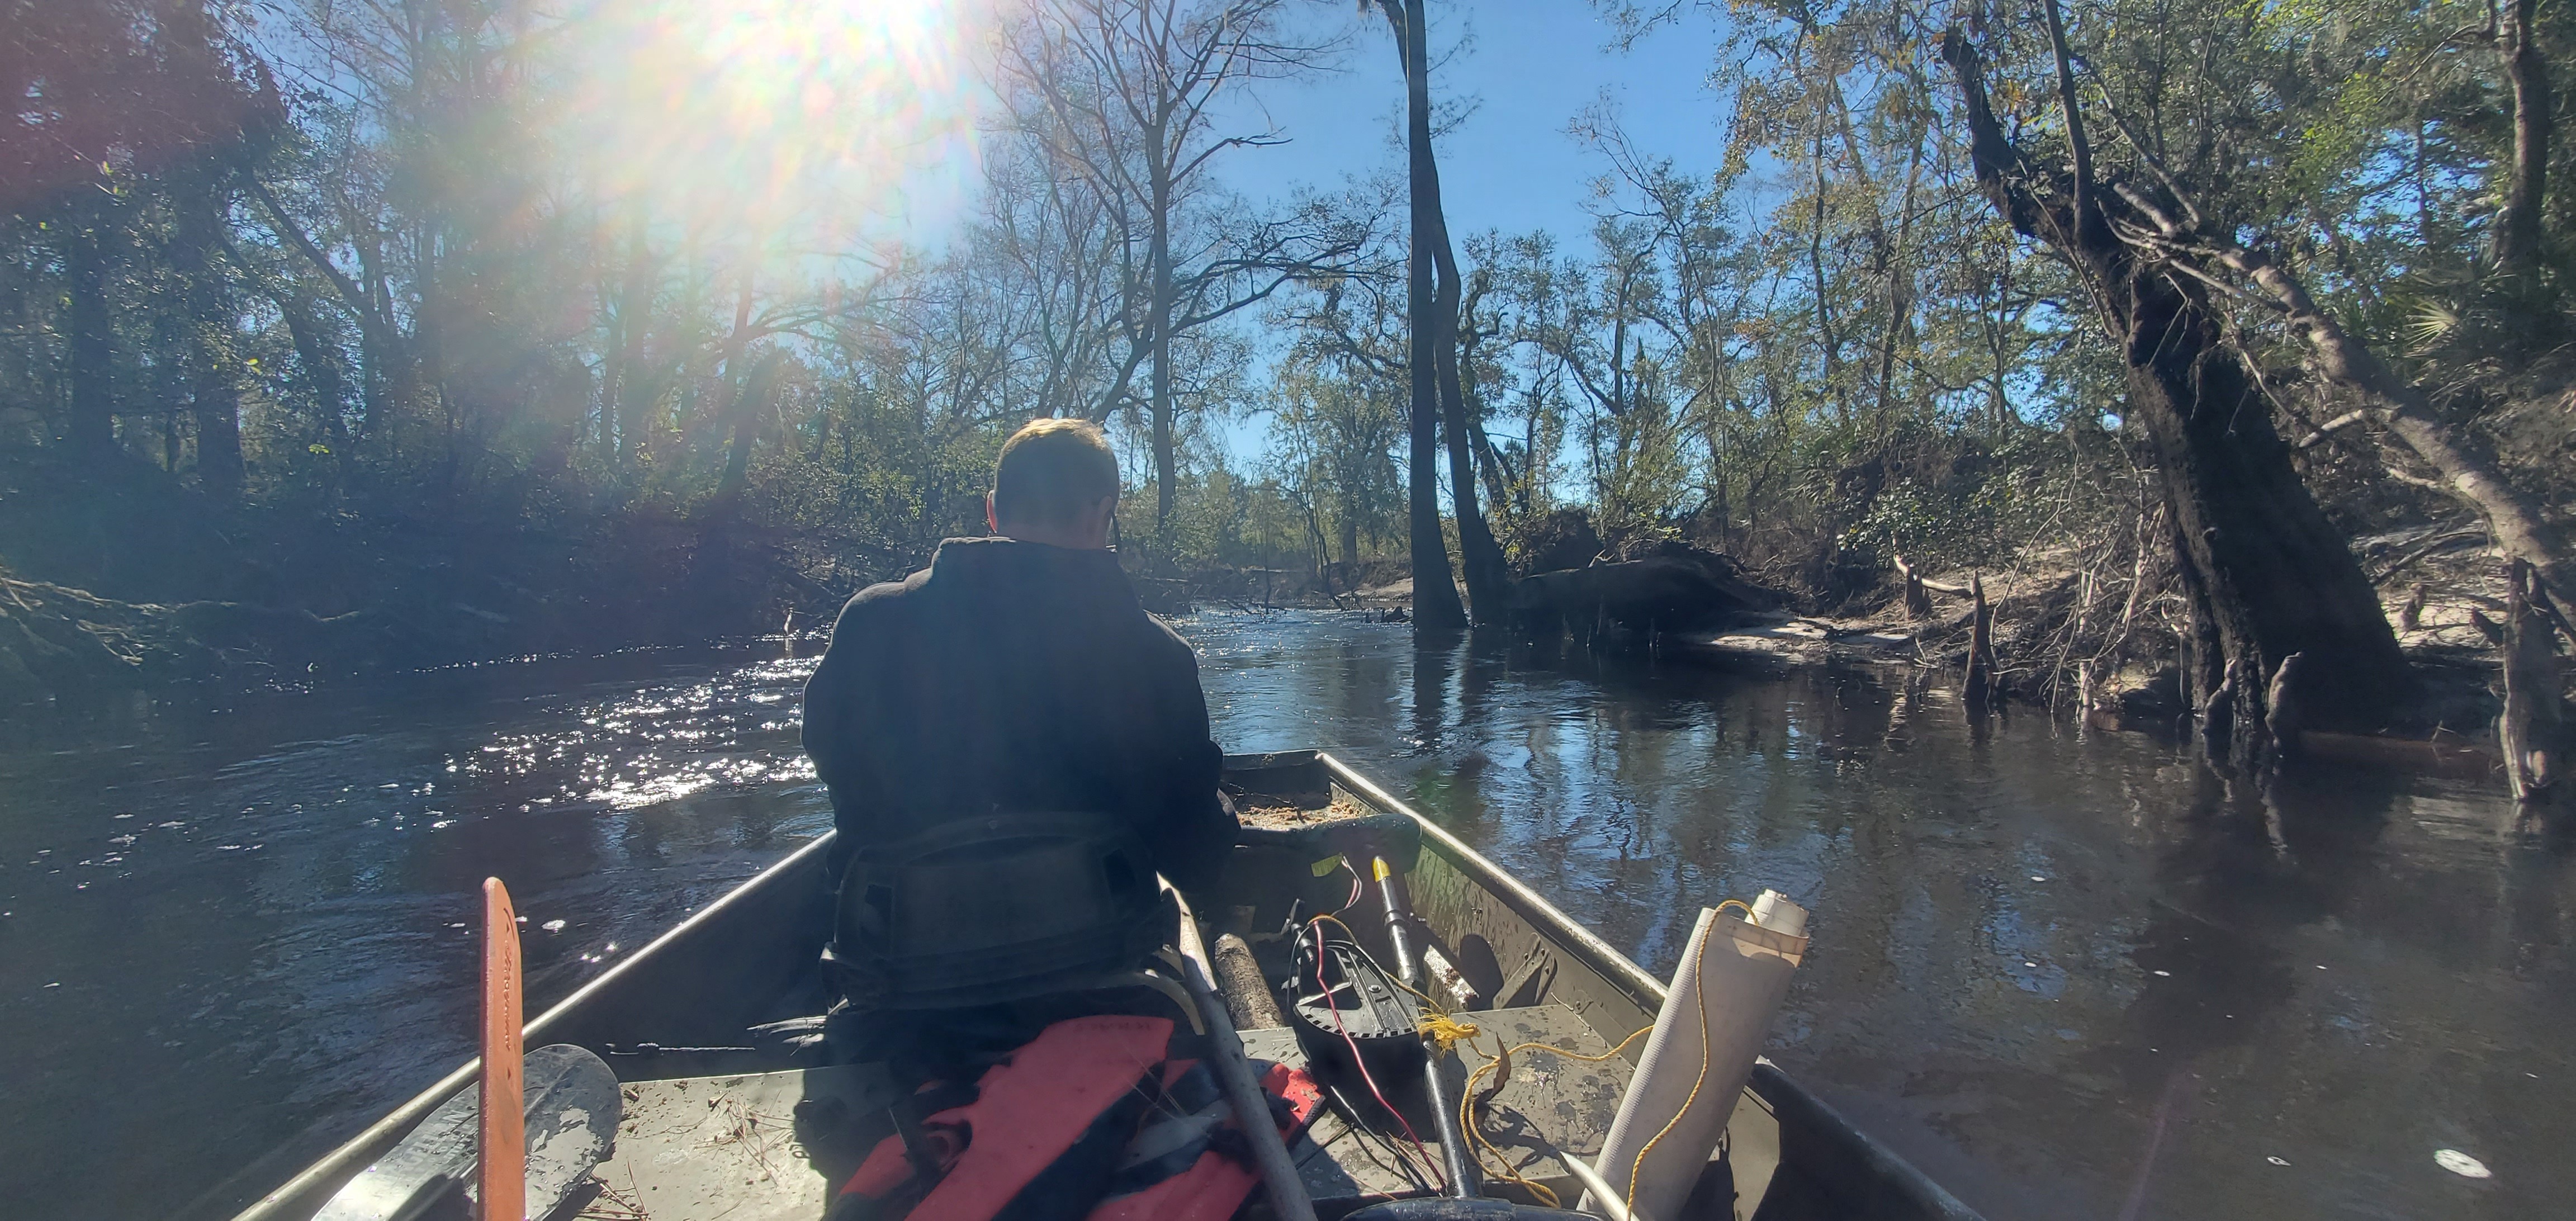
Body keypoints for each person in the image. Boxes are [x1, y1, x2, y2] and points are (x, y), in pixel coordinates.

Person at [801, 417, 1235, 921]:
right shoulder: (1158, 656)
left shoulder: (868, 622)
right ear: (1102, 513)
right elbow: (1195, 857)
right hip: (1102, 957)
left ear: (991, 511)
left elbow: (838, 769)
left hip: (901, 956)